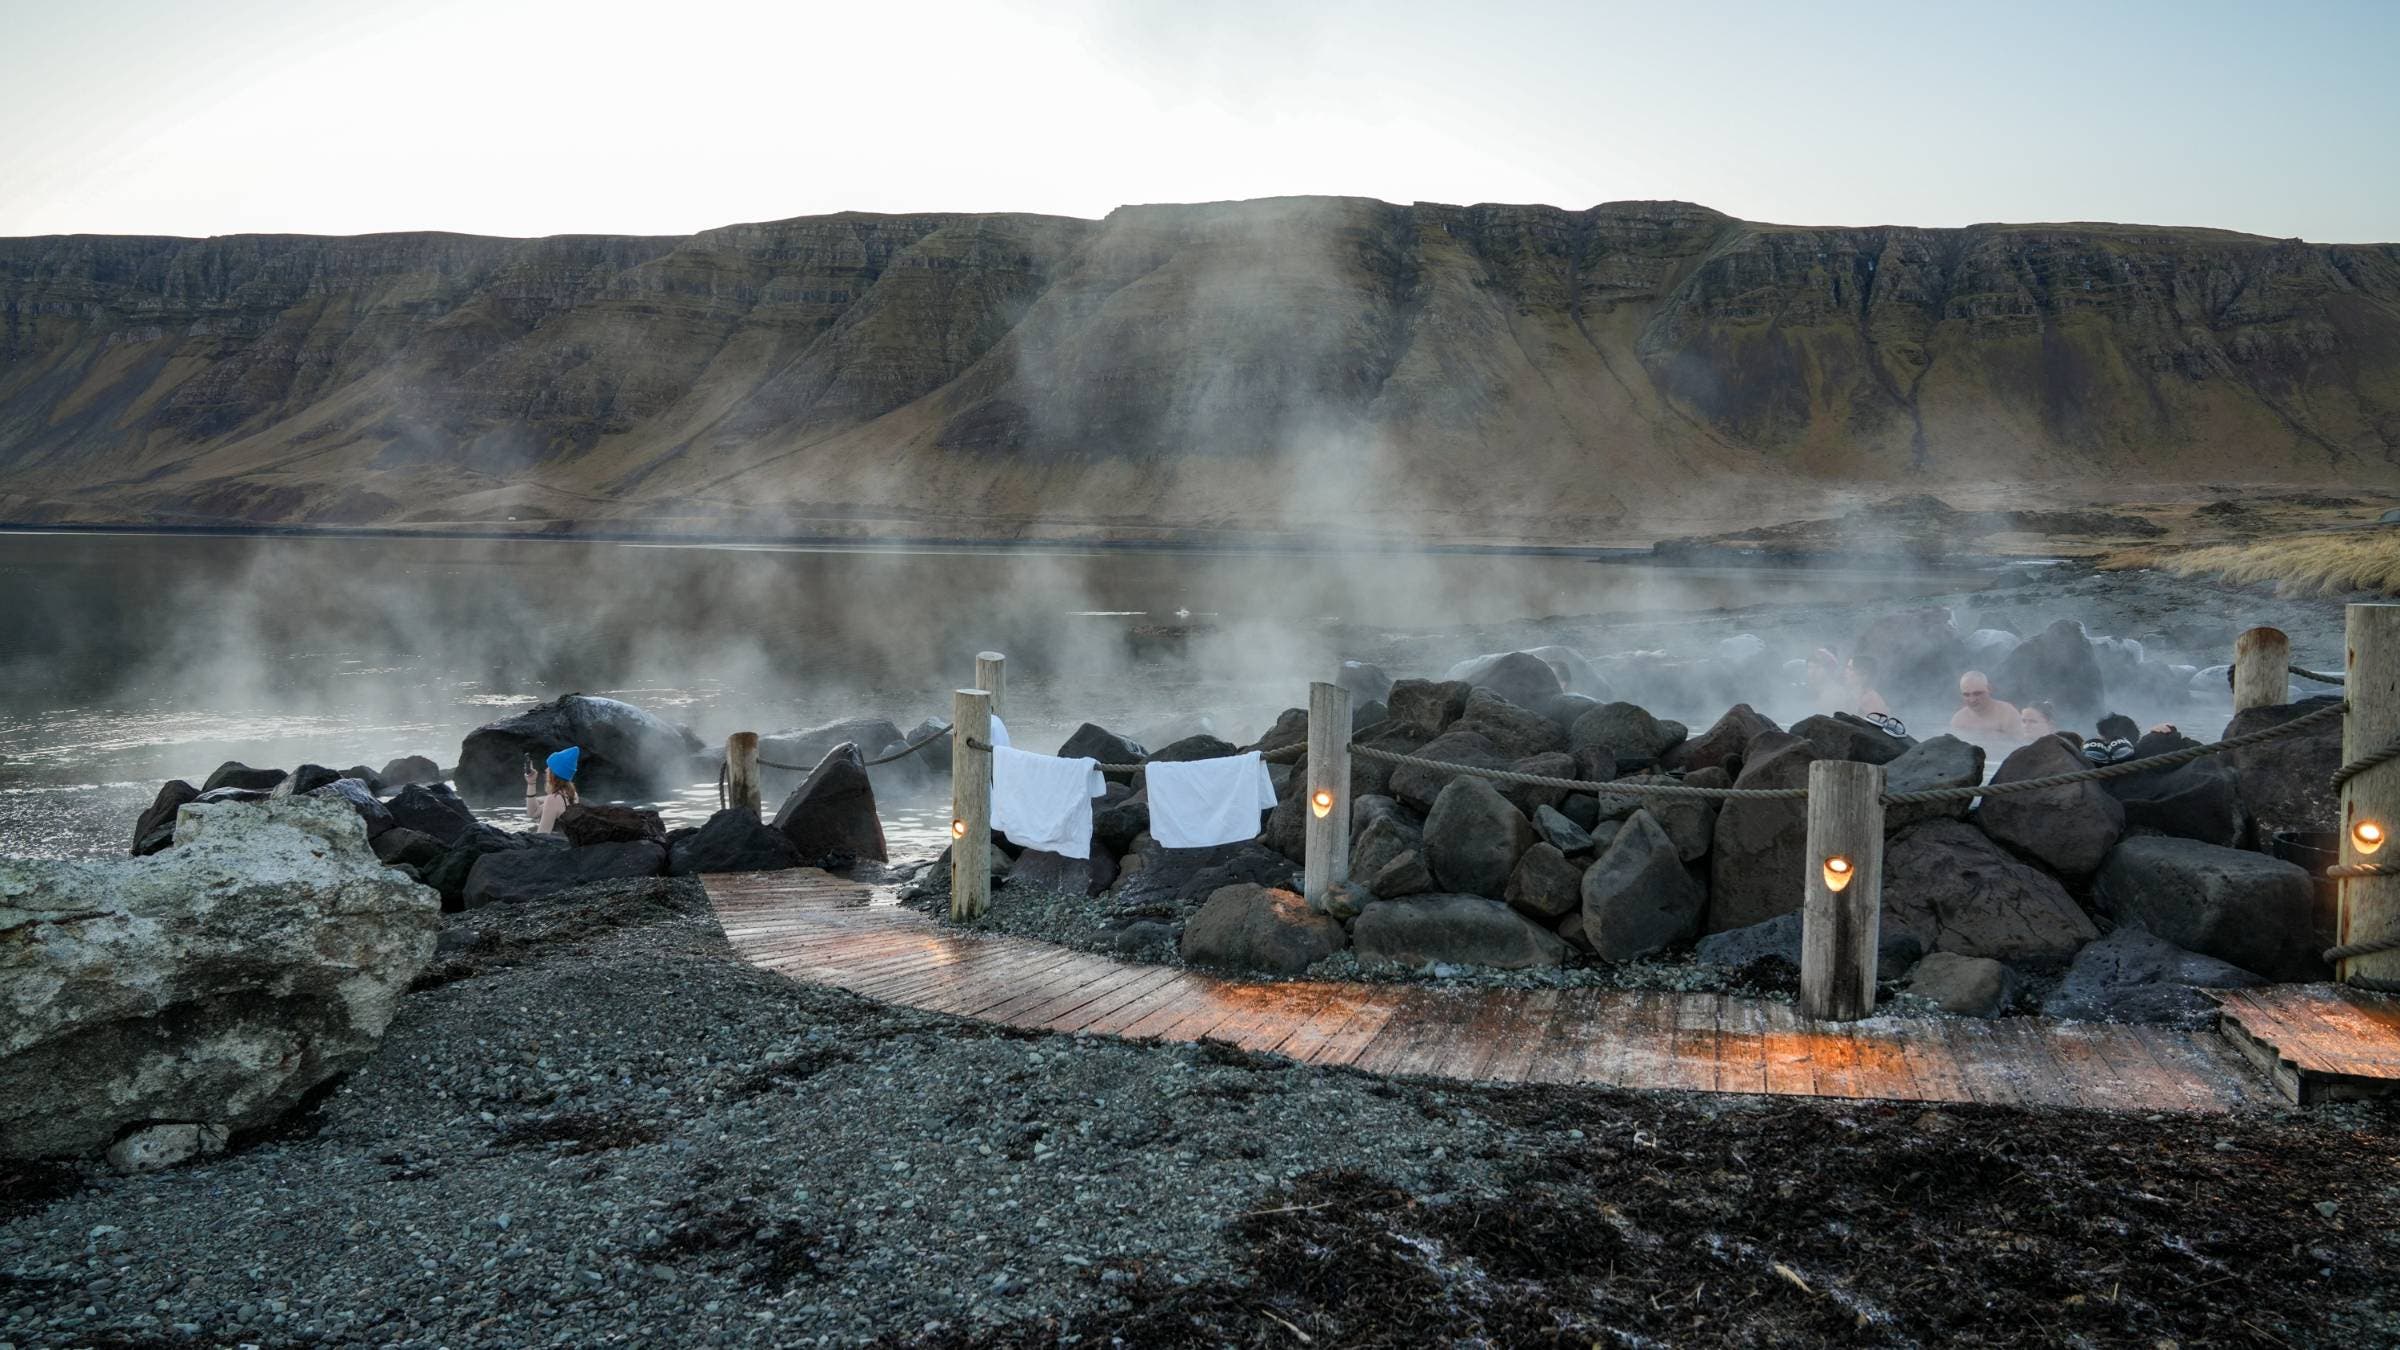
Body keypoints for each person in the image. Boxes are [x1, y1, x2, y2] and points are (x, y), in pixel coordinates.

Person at [522, 745, 581, 833]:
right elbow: (533, 813)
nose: (546, 770)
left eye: (549, 767)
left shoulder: (553, 800)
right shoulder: (573, 794)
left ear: (554, 774)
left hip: (557, 845)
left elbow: (542, 835)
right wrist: (531, 783)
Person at [1949, 671, 2021, 742]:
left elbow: (2020, 745)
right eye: (1966, 695)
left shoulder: (2007, 713)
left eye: (1977, 693)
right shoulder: (1958, 720)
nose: (1972, 700)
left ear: (1989, 689)